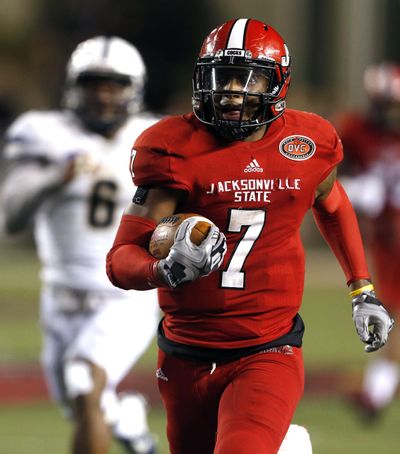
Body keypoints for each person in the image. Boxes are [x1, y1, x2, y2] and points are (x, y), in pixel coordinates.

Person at [106, 18, 394, 454]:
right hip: (184, 353)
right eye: (222, 77)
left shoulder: (307, 141)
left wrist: (362, 287)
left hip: (267, 348)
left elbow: (333, 205)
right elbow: (119, 259)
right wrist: (161, 269)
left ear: (277, 83)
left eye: (248, 78)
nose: (232, 92)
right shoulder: (172, 148)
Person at [0, 36, 160, 454]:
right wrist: (56, 178)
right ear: (73, 86)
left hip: (125, 296)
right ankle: (127, 419)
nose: (103, 96)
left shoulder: (156, 137)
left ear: (135, 88)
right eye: (93, 84)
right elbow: (11, 216)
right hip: (60, 298)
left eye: (114, 85)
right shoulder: (43, 133)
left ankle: (117, 414)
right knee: (79, 404)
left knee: (84, 380)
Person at [335, 62, 400, 422]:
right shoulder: (357, 130)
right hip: (386, 236)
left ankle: (378, 392)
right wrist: (358, 191)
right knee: (388, 308)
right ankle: (378, 392)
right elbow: (331, 177)